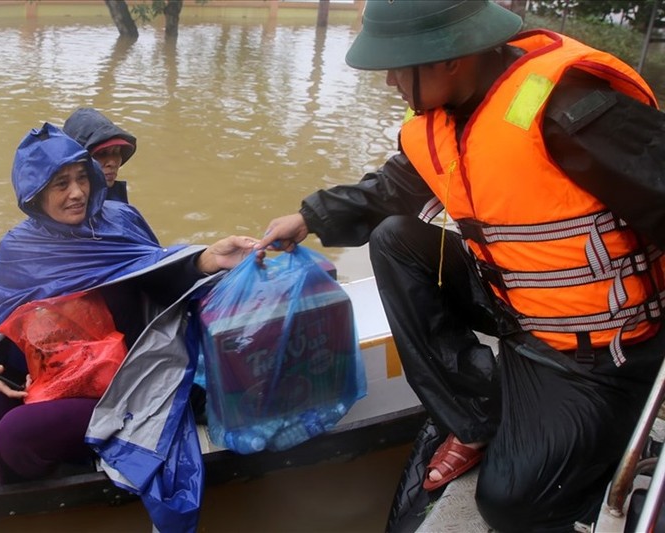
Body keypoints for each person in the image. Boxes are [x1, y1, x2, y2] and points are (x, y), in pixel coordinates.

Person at [258, 0, 665, 530]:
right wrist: (309, 216)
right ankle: (476, 417)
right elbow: (396, 188)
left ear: (450, 59)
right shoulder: (447, 114)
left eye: (398, 67)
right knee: (395, 239)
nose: (389, 84)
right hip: (518, 312)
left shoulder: (574, 108)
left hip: (598, 347)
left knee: (511, 503)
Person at [0, 122, 258, 492]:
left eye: (82, 178)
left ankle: (25, 518)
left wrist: (205, 259)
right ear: (34, 193)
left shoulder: (119, 223)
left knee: (17, 435)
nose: (77, 193)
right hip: (45, 380)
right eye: (61, 184)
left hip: (120, 386)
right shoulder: (17, 248)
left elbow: (161, 278)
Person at [63, 107, 136, 203]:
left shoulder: (120, 210)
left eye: (116, 152)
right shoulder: (59, 210)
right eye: (102, 153)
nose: (113, 162)